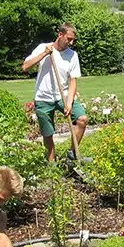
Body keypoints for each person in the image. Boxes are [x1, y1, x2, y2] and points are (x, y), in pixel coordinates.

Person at [22, 23, 88, 163]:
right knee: (48, 133)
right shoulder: (43, 47)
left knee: (82, 119)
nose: (71, 42)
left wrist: (69, 102)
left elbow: (73, 80)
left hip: (63, 96)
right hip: (43, 98)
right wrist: (45, 53)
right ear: (60, 35)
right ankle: (52, 165)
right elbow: (25, 67)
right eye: (68, 39)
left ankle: (73, 153)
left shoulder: (72, 55)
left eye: (73, 40)